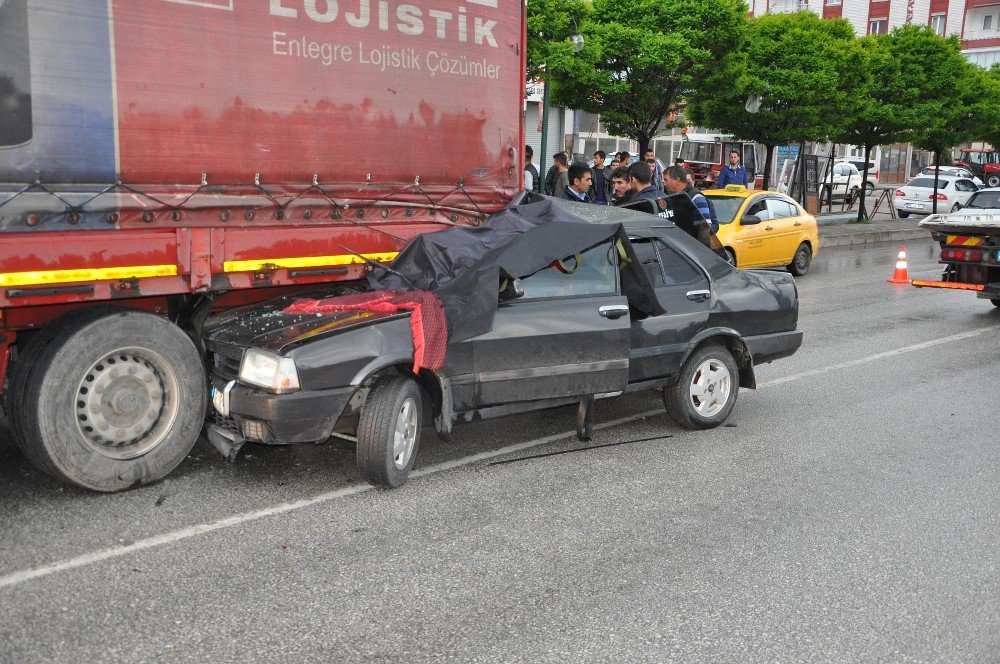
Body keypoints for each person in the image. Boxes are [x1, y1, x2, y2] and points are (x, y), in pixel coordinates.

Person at [665, 165, 712, 247]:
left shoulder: (696, 198)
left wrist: (701, 255)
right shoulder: (673, 197)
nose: (664, 184)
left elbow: (704, 229)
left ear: (676, 180)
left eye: (666, 180)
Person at [684, 170, 719, 235]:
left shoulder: (703, 199)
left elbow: (715, 225)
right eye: (684, 182)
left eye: (688, 181)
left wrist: (704, 231)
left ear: (693, 182)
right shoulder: (679, 198)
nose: (686, 184)